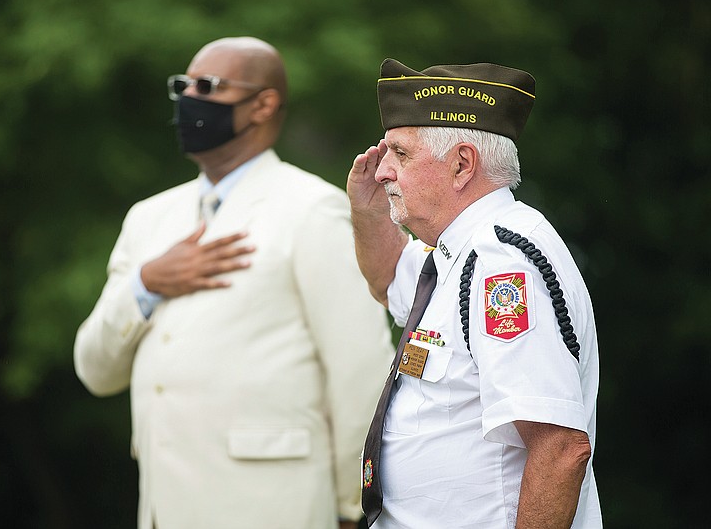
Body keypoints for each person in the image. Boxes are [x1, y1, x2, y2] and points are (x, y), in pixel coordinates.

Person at [74, 37, 394, 529]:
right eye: (183, 86)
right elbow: (95, 371)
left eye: (208, 87)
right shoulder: (148, 219)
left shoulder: (312, 209)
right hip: (164, 508)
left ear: (263, 104)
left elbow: (359, 370)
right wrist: (146, 283)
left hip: (272, 507)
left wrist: (354, 505)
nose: (189, 100)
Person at [347, 58, 602, 528]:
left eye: (400, 155)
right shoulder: (455, 251)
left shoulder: (502, 262)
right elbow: (388, 282)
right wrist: (367, 215)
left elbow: (560, 448)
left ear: (462, 164)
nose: (382, 171)